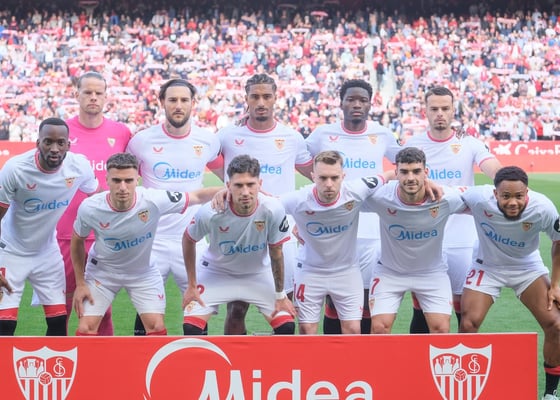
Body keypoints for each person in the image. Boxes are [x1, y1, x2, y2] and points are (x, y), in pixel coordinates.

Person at [72, 153, 221, 335]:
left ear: (137, 180)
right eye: (116, 180)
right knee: (85, 329)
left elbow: (196, 196)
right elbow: (77, 240)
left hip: (142, 273)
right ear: (107, 179)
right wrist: (80, 283)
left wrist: (229, 191)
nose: (122, 187)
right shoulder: (90, 207)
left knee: (156, 327)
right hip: (102, 273)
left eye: (128, 180)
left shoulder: (152, 200)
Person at [216, 73, 313, 334]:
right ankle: (236, 355)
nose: (261, 102)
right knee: (237, 307)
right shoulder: (227, 135)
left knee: (286, 302)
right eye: (255, 96)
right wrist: (226, 189)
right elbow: (209, 162)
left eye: (266, 96)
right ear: (246, 99)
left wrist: (304, 219)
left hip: (281, 229)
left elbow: (316, 175)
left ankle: (280, 356)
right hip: (241, 230)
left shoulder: (291, 137)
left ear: (275, 98)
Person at [126, 78, 222, 336]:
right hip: (151, 240)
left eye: (184, 100)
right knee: (147, 314)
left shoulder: (208, 141)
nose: (178, 105)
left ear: (193, 103)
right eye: (172, 100)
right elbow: (125, 182)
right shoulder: (141, 141)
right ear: (162, 102)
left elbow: (228, 176)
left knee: (197, 311)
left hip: (192, 239)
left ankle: (196, 358)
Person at [305, 78, 401, 334]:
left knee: (367, 299)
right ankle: (334, 354)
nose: (357, 104)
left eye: (362, 100)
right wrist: (322, 188)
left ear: (370, 104)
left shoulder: (382, 134)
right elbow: (300, 157)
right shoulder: (322, 134)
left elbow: (404, 163)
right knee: (334, 299)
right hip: (334, 229)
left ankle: (363, 354)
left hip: (371, 230)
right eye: (351, 99)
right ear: (341, 103)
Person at [404, 85, 502, 333]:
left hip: (462, 239)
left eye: (445, 108)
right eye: (434, 108)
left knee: (462, 309)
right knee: (422, 307)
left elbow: (492, 167)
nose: (440, 113)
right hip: (424, 237)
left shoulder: (468, 142)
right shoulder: (413, 144)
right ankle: (419, 358)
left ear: (453, 111)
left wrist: (505, 180)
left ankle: (458, 355)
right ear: (425, 111)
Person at [458, 166, 560, 400]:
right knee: (469, 323)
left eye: (518, 196)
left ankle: (550, 393)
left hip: (526, 267)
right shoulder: (478, 197)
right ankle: (464, 388)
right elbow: (447, 196)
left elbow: (558, 242)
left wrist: (555, 285)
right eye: (505, 196)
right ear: (495, 194)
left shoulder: (543, 208)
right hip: (487, 266)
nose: (513, 202)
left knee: (556, 324)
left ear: (527, 192)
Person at [0, 117, 98, 336]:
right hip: (11, 252)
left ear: (68, 145)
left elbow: (96, 199)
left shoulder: (79, 166)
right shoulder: (15, 169)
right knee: (5, 324)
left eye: (60, 143)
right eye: (48, 142)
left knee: (58, 321)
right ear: (38, 143)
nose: (54, 148)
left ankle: (55, 361)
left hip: (47, 252)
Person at [182, 154, 296, 335]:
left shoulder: (273, 209)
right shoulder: (211, 211)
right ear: (228, 186)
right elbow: (189, 239)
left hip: (258, 273)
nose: (245, 192)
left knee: (286, 326)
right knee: (191, 327)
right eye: (238, 185)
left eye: (250, 184)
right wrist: (191, 284)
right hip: (216, 273)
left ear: (260, 184)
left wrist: (280, 295)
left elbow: (276, 252)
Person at [55, 71, 131, 335]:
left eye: (99, 93)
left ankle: (104, 360)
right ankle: (62, 356)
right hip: (66, 233)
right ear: (76, 94)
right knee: (61, 307)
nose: (93, 97)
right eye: (88, 92)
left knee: (102, 307)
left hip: (105, 233)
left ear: (106, 96)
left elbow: (131, 176)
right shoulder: (61, 132)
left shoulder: (121, 133)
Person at [281, 150, 386, 334]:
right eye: (322, 178)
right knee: (306, 330)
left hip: (347, 272)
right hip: (310, 272)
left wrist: (427, 182)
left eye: (334, 178)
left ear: (343, 176)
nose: (329, 184)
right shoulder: (298, 199)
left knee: (353, 330)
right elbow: (267, 206)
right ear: (313, 176)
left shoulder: (355, 190)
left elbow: (390, 175)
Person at [366, 147, 466, 334]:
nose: (410, 177)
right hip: (390, 272)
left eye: (416, 171)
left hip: (431, 273)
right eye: (404, 172)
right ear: (396, 173)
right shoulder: (381, 197)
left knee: (441, 329)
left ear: (426, 172)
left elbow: (483, 200)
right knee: (379, 329)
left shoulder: (445, 197)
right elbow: (345, 195)